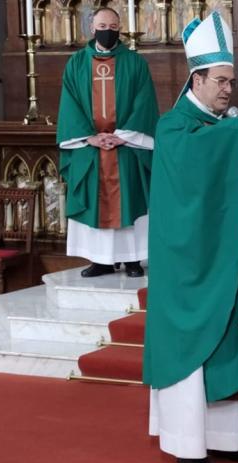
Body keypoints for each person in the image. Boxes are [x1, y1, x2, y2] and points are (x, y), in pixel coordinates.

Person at [143, 11, 238, 463]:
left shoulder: (223, 123)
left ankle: (227, 438)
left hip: (228, 257)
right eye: (221, 81)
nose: (229, 89)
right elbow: (199, 163)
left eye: (232, 81)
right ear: (197, 78)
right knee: (192, 349)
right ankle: (187, 445)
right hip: (189, 264)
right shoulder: (174, 127)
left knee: (231, 345)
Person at [56, 6, 158, 278]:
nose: (108, 31)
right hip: (91, 148)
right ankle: (101, 260)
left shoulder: (135, 63)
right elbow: (70, 105)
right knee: (96, 202)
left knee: (131, 198)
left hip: (125, 146)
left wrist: (122, 136)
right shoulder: (77, 63)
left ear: (120, 28)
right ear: (92, 28)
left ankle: (133, 259)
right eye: (103, 26)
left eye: (113, 27)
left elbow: (144, 103)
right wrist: (91, 137)